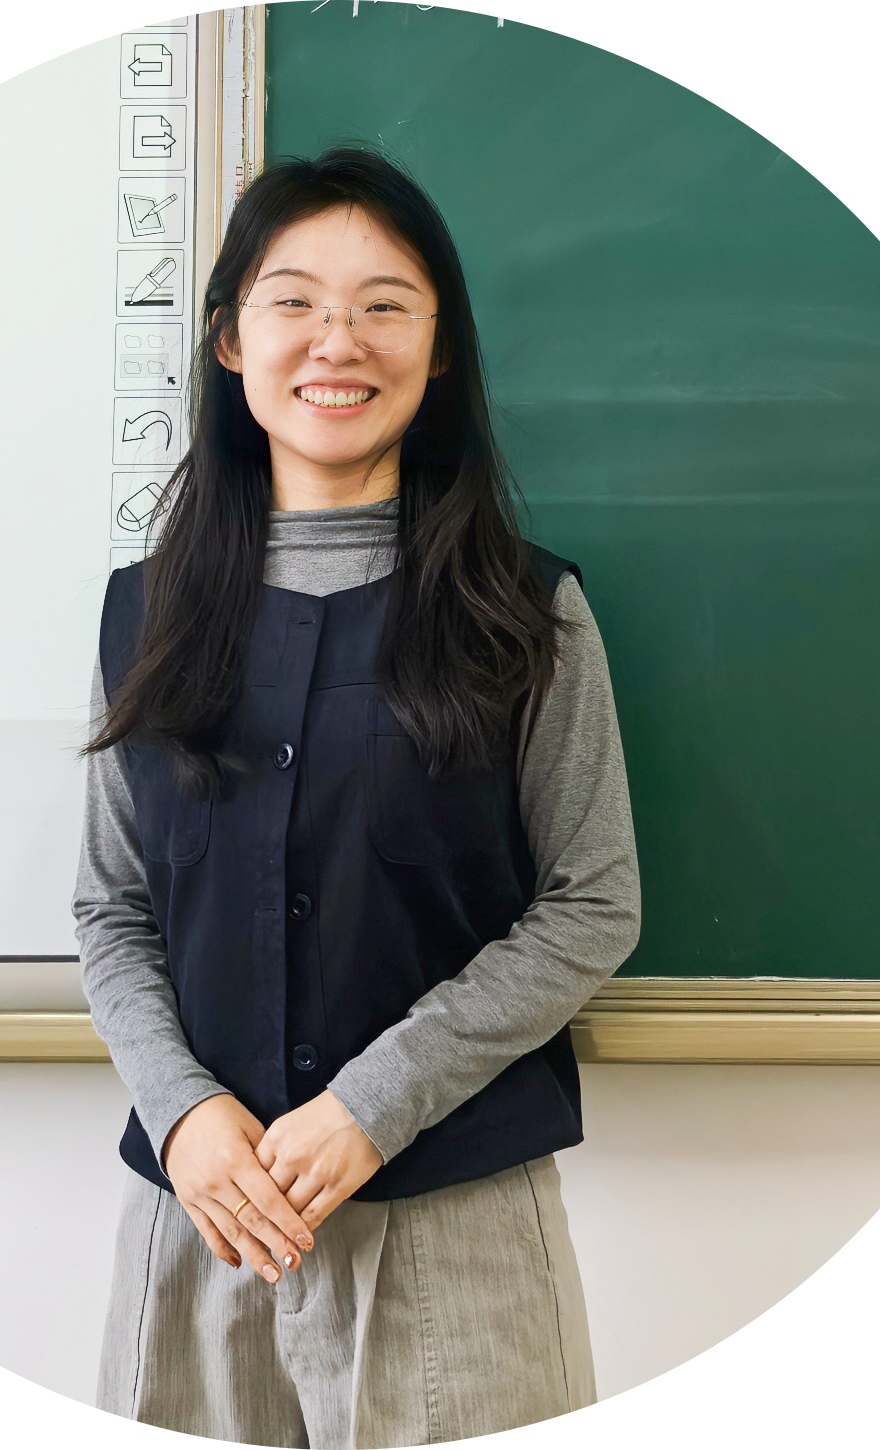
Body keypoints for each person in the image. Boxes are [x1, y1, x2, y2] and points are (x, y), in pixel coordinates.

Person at [72, 146, 640, 1447]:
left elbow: (593, 903)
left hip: (454, 1222)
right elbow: (111, 907)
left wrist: (371, 1105)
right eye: (294, 301)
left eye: (386, 305)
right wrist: (184, 1113)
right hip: (200, 1215)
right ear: (230, 339)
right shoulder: (143, 616)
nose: (338, 341)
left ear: (439, 353)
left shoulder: (528, 611)